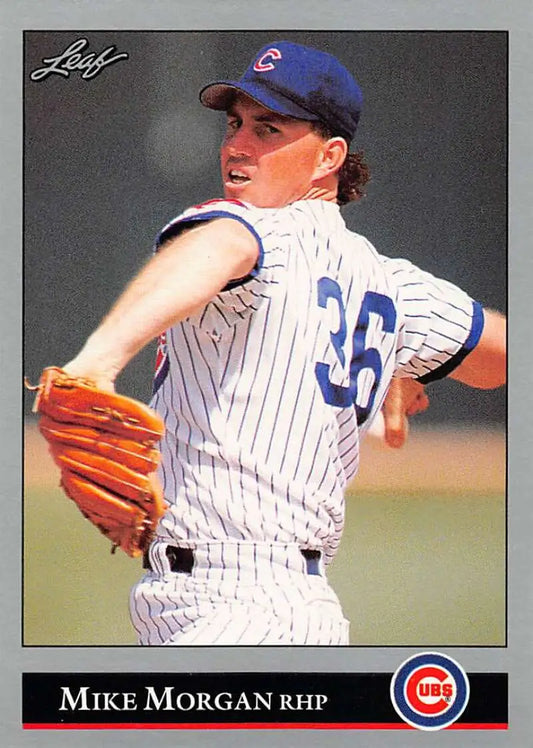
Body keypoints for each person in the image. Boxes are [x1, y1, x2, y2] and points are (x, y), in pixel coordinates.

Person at [60, 41, 506, 645]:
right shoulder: (396, 286)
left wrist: (98, 360)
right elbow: (499, 354)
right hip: (286, 608)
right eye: (236, 123)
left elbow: (220, 247)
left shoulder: (250, 228)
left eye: (269, 128)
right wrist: (413, 368)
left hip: (233, 610)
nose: (238, 145)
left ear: (329, 157)